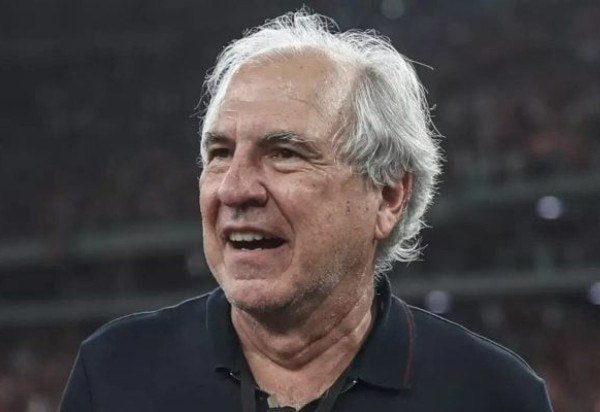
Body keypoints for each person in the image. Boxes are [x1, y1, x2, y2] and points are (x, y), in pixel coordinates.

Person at [60, 10, 553, 412]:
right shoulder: (113, 372)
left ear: (387, 197)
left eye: (284, 153)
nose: (234, 189)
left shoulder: (495, 395)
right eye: (220, 153)